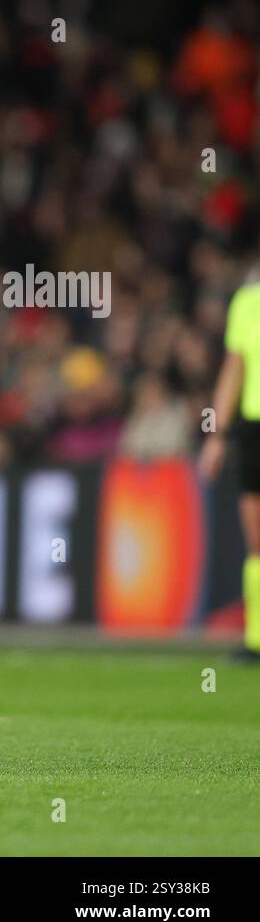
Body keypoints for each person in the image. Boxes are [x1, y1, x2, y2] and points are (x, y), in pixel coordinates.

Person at [199, 268, 260, 662]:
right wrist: (217, 434)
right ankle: (257, 639)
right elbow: (233, 369)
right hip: (254, 425)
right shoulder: (247, 301)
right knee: (257, 540)